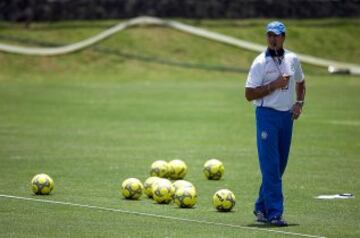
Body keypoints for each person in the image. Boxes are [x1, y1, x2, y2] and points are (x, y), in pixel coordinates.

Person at [245, 21, 306, 226]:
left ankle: (261, 206)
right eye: (269, 35)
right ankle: (274, 213)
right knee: (271, 167)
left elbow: (301, 81)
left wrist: (299, 103)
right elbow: (249, 93)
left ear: (283, 37)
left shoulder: (292, 59)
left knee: (279, 167)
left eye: (277, 35)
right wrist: (274, 85)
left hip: (286, 118)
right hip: (266, 117)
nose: (273, 39)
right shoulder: (260, 63)